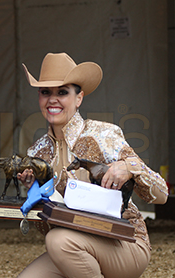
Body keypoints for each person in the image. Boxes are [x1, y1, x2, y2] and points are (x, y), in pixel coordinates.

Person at [17, 53, 168, 278]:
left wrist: (129, 167)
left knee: (58, 241)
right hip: (73, 246)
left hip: (124, 243)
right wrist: (33, 194)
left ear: (79, 98)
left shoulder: (103, 134)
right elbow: (47, 226)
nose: (52, 100)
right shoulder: (36, 153)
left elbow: (162, 194)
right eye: (45, 92)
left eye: (62, 92)